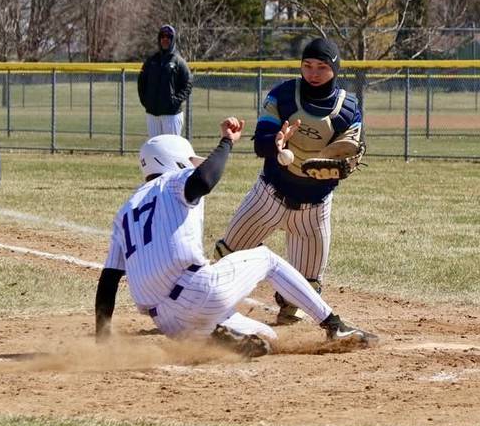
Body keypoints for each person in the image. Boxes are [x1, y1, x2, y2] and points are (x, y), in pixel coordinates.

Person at [94, 120, 375, 357]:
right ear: (174, 161)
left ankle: (219, 340)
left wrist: (102, 339)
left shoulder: (125, 211)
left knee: (266, 339)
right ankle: (334, 325)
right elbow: (204, 180)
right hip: (200, 290)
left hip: (169, 322)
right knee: (266, 259)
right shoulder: (174, 180)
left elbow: (108, 282)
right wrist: (227, 141)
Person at [212, 37, 364, 325]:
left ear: (335, 69)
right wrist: (276, 141)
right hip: (269, 196)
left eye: (321, 67)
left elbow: (351, 150)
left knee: (305, 290)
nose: (313, 73)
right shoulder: (283, 95)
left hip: (314, 210)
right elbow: (261, 144)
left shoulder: (348, 108)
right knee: (226, 257)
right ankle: (206, 314)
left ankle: (286, 340)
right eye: (307, 65)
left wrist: (343, 164)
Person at [137, 25, 193, 137]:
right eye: (162, 36)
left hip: (171, 115)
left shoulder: (178, 61)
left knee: (171, 150)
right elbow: (141, 82)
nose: (165, 39)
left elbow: (188, 84)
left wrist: (175, 101)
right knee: (155, 150)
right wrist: (146, 101)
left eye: (168, 36)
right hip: (152, 114)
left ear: (173, 39)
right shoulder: (151, 61)